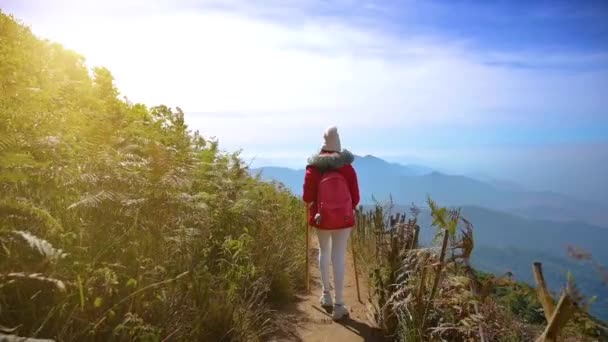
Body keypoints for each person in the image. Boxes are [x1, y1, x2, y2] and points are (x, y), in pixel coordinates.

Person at [302, 126, 360, 321]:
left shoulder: (313, 167)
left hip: (321, 218)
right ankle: (339, 304)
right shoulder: (347, 167)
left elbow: (307, 197)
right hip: (343, 220)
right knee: (338, 256)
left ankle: (326, 295)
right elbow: (356, 198)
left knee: (323, 251)